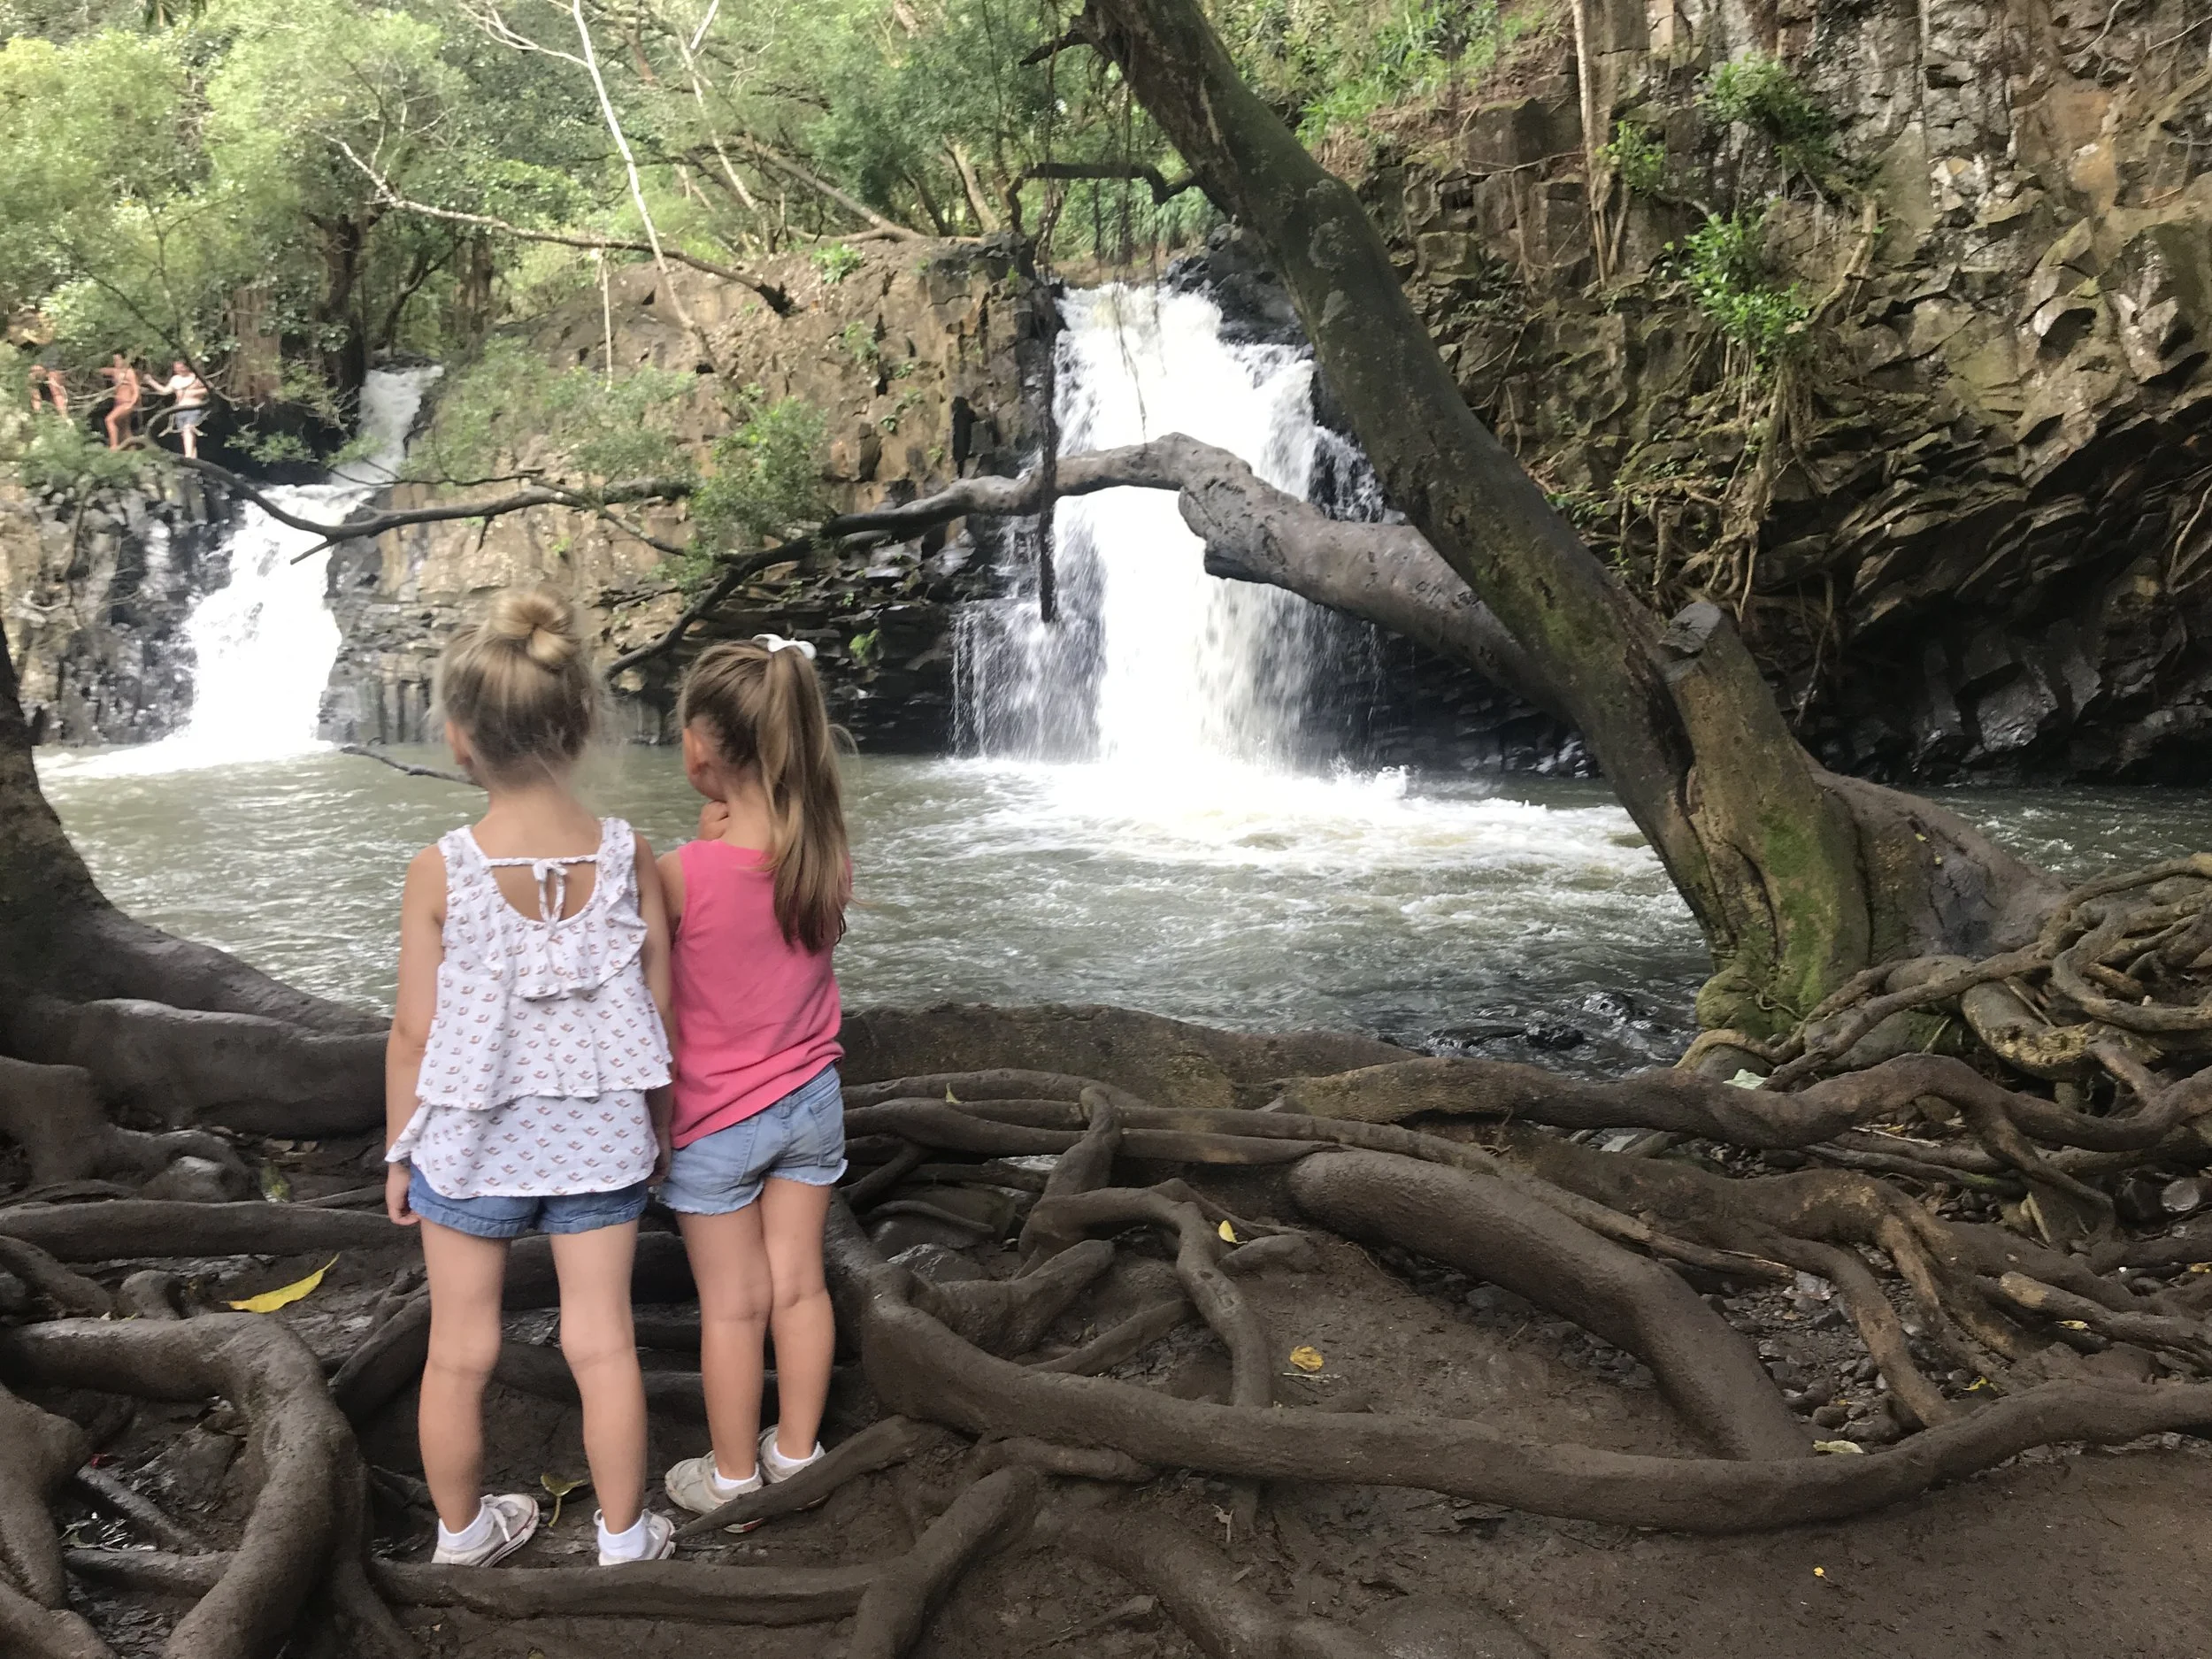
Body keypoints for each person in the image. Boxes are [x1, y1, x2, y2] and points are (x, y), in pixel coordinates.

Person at [383, 588, 680, 1568]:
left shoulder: (442, 869)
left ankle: (463, 1536)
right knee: (603, 1345)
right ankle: (625, 1538)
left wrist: (401, 1153)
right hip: (598, 1137)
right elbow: (660, 1011)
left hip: (467, 1143)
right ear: (584, 719)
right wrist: (661, 1125)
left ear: (459, 738)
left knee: (458, 1350)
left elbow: (412, 1035)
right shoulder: (630, 853)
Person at [655, 634, 850, 1527]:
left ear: (702, 748)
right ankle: (797, 1451)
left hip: (715, 1122)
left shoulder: (679, 875)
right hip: (811, 1105)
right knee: (800, 1286)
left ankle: (732, 1475)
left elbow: (655, 991)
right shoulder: (825, 852)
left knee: (732, 1309)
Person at [145, 359, 210, 459]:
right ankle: (193, 459)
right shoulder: (175, 379)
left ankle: (188, 457)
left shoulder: (196, 378)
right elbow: (165, 391)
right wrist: (151, 381)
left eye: (180, 367)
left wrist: (193, 393)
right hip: (179, 410)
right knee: (185, 435)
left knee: (188, 430)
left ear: (187, 366)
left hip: (194, 408)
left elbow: (209, 388)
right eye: (176, 367)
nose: (178, 369)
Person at [101, 354, 141, 449]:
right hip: (118, 403)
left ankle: (114, 446)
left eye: (119, 360)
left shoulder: (129, 372)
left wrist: (132, 403)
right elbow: (102, 370)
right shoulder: (115, 371)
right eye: (115, 360)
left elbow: (136, 389)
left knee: (109, 420)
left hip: (126, 403)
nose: (117, 362)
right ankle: (132, 452)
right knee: (124, 428)